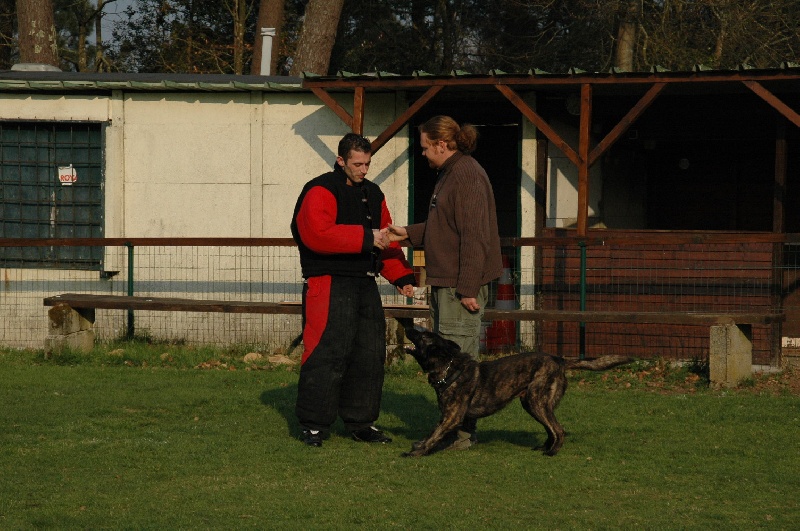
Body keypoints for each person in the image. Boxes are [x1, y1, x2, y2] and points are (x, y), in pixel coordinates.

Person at [290, 133, 416, 448]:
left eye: (367, 163)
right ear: (341, 160)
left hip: (364, 283)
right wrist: (365, 238)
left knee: (369, 355)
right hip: (327, 282)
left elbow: (386, 238)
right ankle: (314, 425)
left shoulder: (374, 193)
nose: (363, 170)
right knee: (325, 353)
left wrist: (401, 276)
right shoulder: (319, 190)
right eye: (357, 164)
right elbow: (316, 234)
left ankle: (361, 423)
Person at [386, 115, 503, 449]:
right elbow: (445, 228)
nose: (422, 153)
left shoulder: (465, 177)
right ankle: (455, 432)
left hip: (457, 287)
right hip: (449, 284)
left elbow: (475, 238)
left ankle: (460, 435)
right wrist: (407, 233)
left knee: (457, 366)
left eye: (425, 147)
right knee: (450, 361)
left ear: (441, 143)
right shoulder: (452, 174)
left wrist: (467, 289)